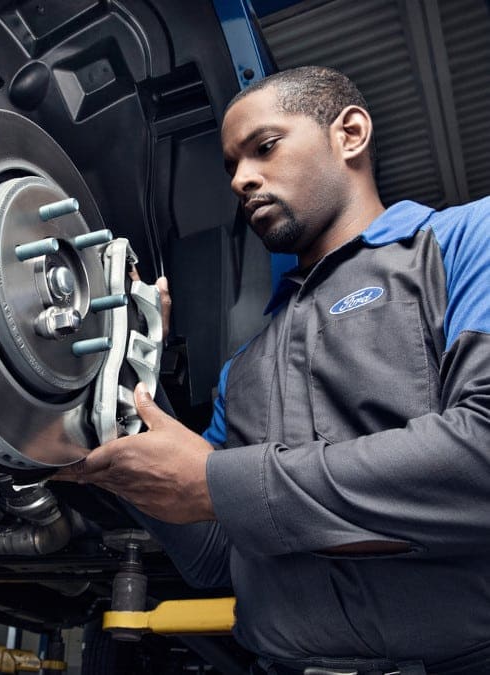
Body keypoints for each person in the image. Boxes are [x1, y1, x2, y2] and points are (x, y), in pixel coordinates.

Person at [57, 66, 490, 674]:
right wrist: (123, 378)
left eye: (263, 147)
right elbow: (212, 554)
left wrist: (222, 484)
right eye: (232, 166)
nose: (241, 178)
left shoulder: (464, 241)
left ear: (351, 133)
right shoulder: (245, 367)